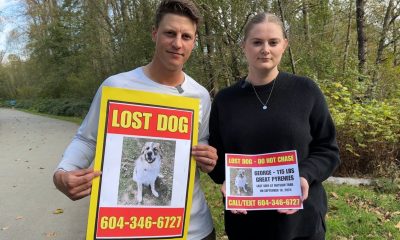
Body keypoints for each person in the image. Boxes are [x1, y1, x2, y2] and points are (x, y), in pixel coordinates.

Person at [53, 1, 217, 239]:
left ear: (194, 41)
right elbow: (87, 139)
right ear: (154, 34)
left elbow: (200, 145)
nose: (177, 43)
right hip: (128, 229)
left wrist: (207, 156)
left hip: (193, 230)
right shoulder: (117, 86)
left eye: (186, 36)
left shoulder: (200, 95)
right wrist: (63, 173)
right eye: (170, 33)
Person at [208, 12, 340, 240]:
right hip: (246, 224)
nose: (265, 49)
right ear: (244, 46)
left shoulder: (306, 91)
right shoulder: (225, 100)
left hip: (301, 222)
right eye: (257, 42)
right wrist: (224, 178)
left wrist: (304, 175)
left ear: (284, 46)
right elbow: (218, 160)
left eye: (273, 42)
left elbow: (328, 150)